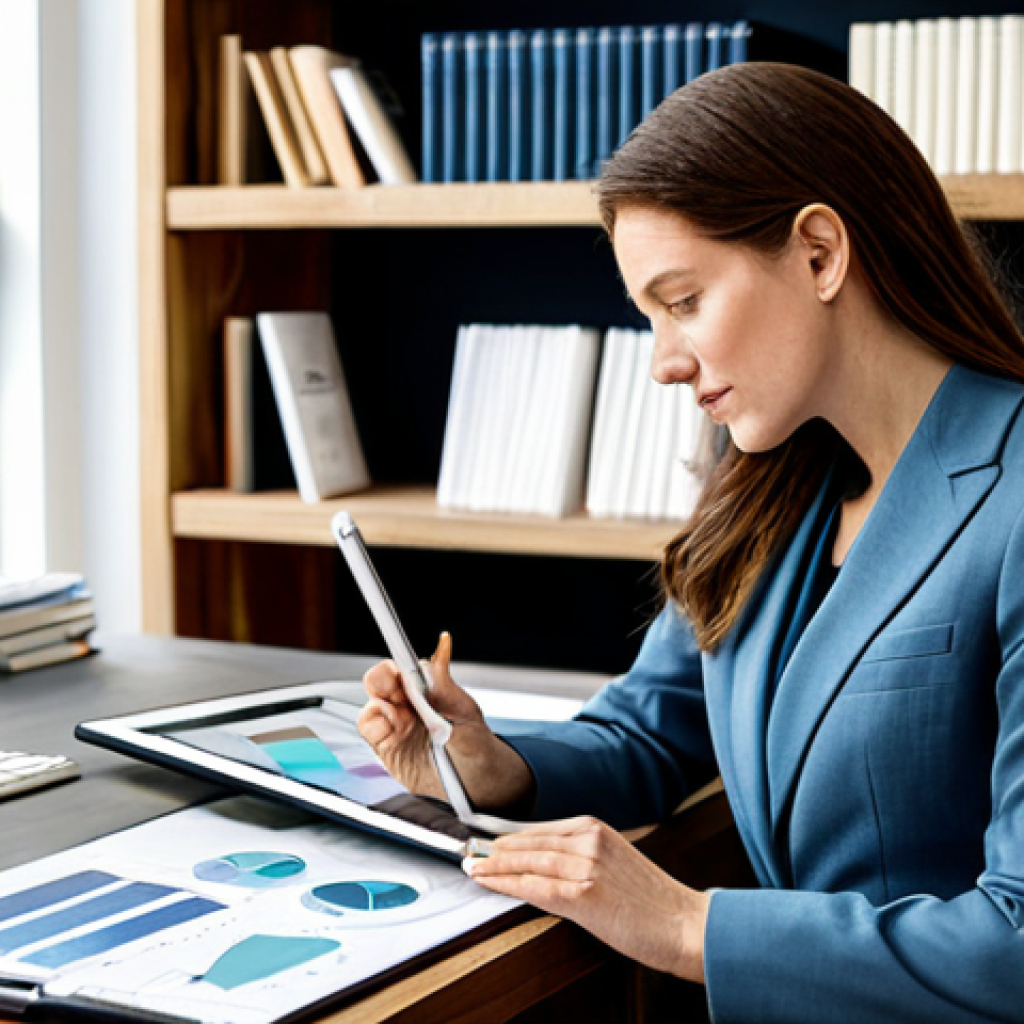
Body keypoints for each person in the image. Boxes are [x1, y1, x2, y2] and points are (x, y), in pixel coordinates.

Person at [359, 62, 1024, 1022]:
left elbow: (1013, 944)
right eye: (651, 319)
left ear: (820, 253)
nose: (666, 364)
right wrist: (495, 766)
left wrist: (684, 926)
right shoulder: (769, 486)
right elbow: (645, 735)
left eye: (684, 302)